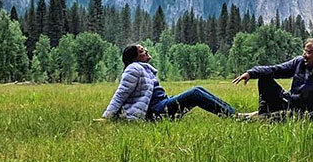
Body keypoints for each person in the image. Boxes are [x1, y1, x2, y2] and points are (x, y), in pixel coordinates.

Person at [99, 44, 236, 121]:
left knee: (198, 90)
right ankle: (234, 116)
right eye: (142, 51)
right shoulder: (133, 69)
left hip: (161, 106)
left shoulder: (142, 69)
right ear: (135, 58)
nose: (146, 50)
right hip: (156, 112)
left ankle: (233, 114)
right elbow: (121, 94)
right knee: (195, 93)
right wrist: (107, 117)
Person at [232, 37, 313, 120]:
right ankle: (263, 114)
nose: (304, 55)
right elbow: (276, 70)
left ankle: (257, 117)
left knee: (269, 120)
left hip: (307, 115)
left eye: (308, 52)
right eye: (304, 51)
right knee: (265, 78)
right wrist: (251, 73)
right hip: (289, 102)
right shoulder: (299, 62)